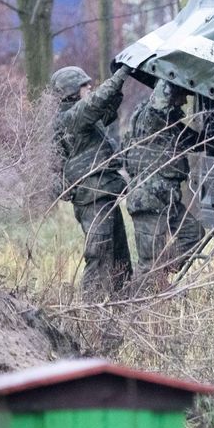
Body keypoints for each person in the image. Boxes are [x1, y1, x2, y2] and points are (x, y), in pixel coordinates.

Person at [51, 65, 132, 300]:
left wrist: (118, 87)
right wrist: (122, 72)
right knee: (99, 258)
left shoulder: (81, 116)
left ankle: (122, 307)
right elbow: (96, 102)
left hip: (103, 194)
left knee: (119, 258)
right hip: (92, 198)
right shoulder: (70, 118)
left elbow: (105, 109)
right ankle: (91, 316)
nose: (90, 88)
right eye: (85, 85)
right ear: (72, 91)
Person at [125, 79, 205, 280]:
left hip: (166, 199)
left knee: (193, 234)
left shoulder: (169, 124)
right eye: (183, 94)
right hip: (148, 200)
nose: (185, 101)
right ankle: (139, 301)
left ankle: (158, 277)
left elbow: (196, 141)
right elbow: (159, 100)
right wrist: (173, 70)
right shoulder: (152, 117)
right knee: (148, 264)